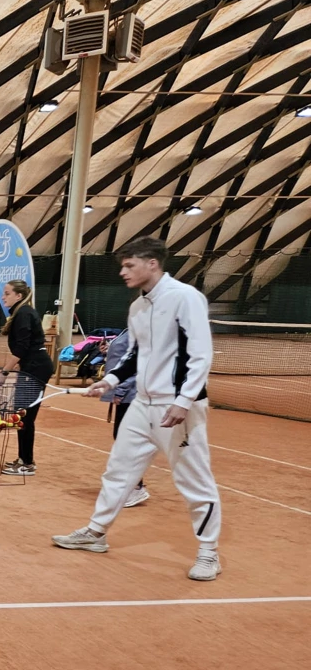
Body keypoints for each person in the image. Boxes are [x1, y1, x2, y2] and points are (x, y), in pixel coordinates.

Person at [52, 236, 221, 581]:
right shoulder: (138, 307)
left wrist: (183, 401)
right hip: (141, 405)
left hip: (176, 407)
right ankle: (95, 534)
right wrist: (110, 381)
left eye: (129, 265)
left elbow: (200, 354)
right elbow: (133, 354)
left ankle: (208, 553)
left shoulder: (186, 298)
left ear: (152, 263)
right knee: (118, 471)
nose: (122, 272)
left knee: (194, 481)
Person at [0, 279, 52, 476]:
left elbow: (21, 348)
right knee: (22, 416)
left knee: (24, 417)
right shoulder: (21, 313)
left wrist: (4, 373)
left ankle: (27, 463)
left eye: (7, 293)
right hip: (32, 368)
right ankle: (24, 459)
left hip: (36, 369)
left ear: (19, 296)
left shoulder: (24, 313)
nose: (3, 297)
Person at [99, 328, 149, 508]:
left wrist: (119, 390)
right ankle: (131, 485)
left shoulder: (142, 333)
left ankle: (136, 487)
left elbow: (136, 367)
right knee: (122, 439)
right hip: (126, 394)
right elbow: (123, 358)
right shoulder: (129, 331)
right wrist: (108, 349)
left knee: (127, 441)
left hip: (132, 395)